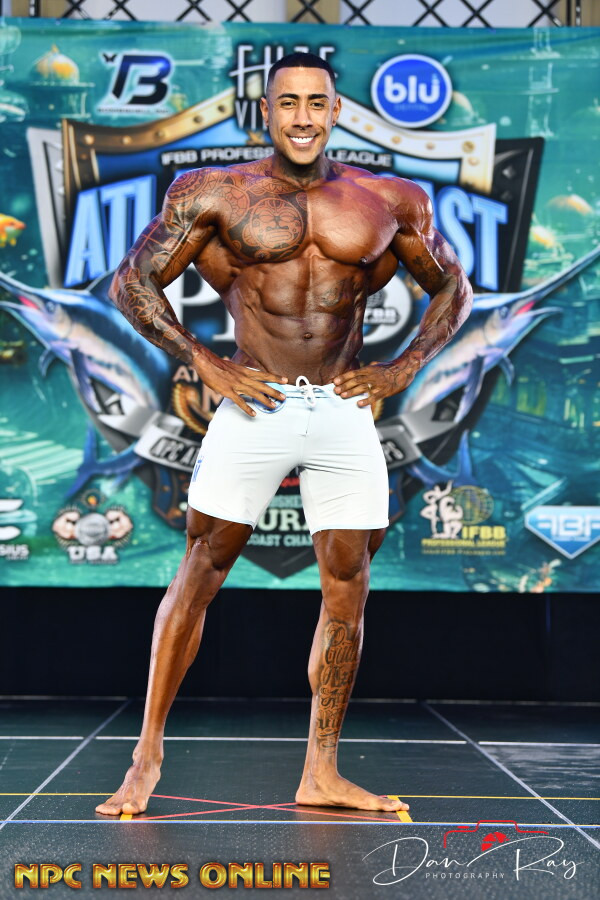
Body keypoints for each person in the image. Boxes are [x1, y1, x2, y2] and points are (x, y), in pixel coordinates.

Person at [95, 51, 472, 817]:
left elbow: (452, 288)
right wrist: (204, 361)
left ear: (335, 113)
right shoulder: (214, 193)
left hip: (342, 406)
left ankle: (321, 771)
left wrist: (404, 367)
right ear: (265, 112)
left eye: (316, 103)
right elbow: (132, 281)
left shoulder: (389, 200)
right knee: (201, 568)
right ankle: (146, 756)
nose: (303, 117)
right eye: (288, 102)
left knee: (348, 587)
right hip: (255, 401)